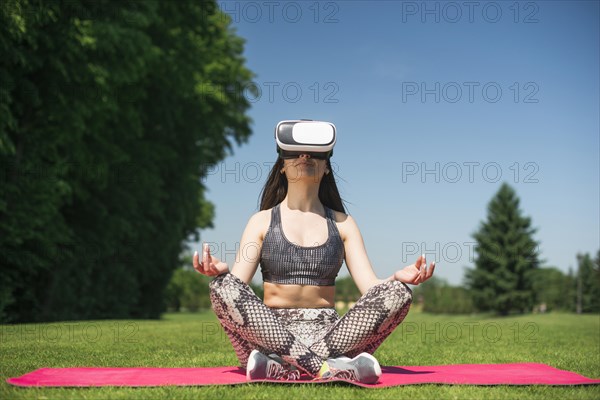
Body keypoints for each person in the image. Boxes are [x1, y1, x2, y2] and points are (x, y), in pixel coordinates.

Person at [193, 120, 435, 383]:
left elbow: (371, 288)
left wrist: (396, 279)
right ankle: (326, 367)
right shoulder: (261, 221)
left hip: (332, 337)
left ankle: (286, 368)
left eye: (314, 153)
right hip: (267, 337)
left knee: (399, 293)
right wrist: (224, 272)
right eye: (295, 153)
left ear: (327, 167)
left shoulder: (343, 224)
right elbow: (237, 286)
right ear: (282, 166)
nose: (304, 157)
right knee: (221, 287)